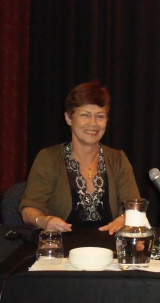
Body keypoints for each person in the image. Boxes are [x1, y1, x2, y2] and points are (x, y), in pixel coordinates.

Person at [19, 82, 141, 234]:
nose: (93, 123)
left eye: (100, 116)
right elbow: (28, 210)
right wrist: (44, 221)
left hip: (111, 250)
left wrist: (125, 218)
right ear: (69, 118)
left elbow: (135, 207)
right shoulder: (49, 159)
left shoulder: (118, 160)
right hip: (60, 249)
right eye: (85, 115)